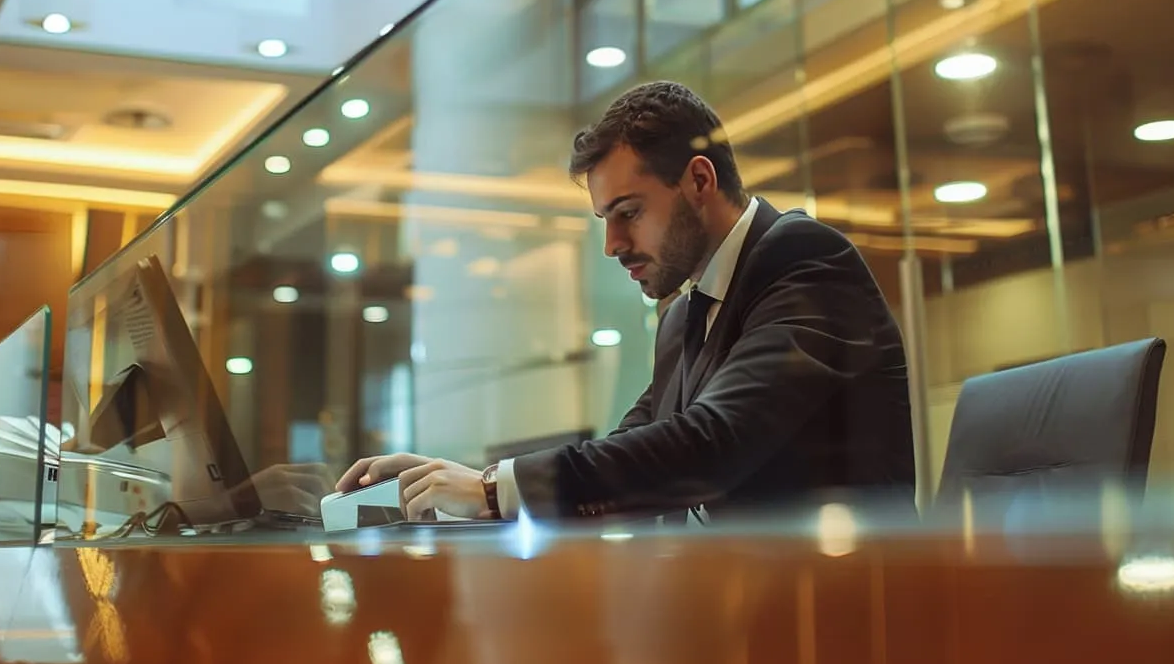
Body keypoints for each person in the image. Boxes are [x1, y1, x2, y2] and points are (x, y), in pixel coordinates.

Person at [337, 81, 915, 522]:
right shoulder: (685, 315)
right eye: (605, 221)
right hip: (738, 609)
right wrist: (461, 477)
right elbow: (631, 454)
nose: (613, 245)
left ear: (699, 181)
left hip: (851, 615)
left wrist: (494, 491)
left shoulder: (805, 258)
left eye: (629, 213)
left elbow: (712, 444)